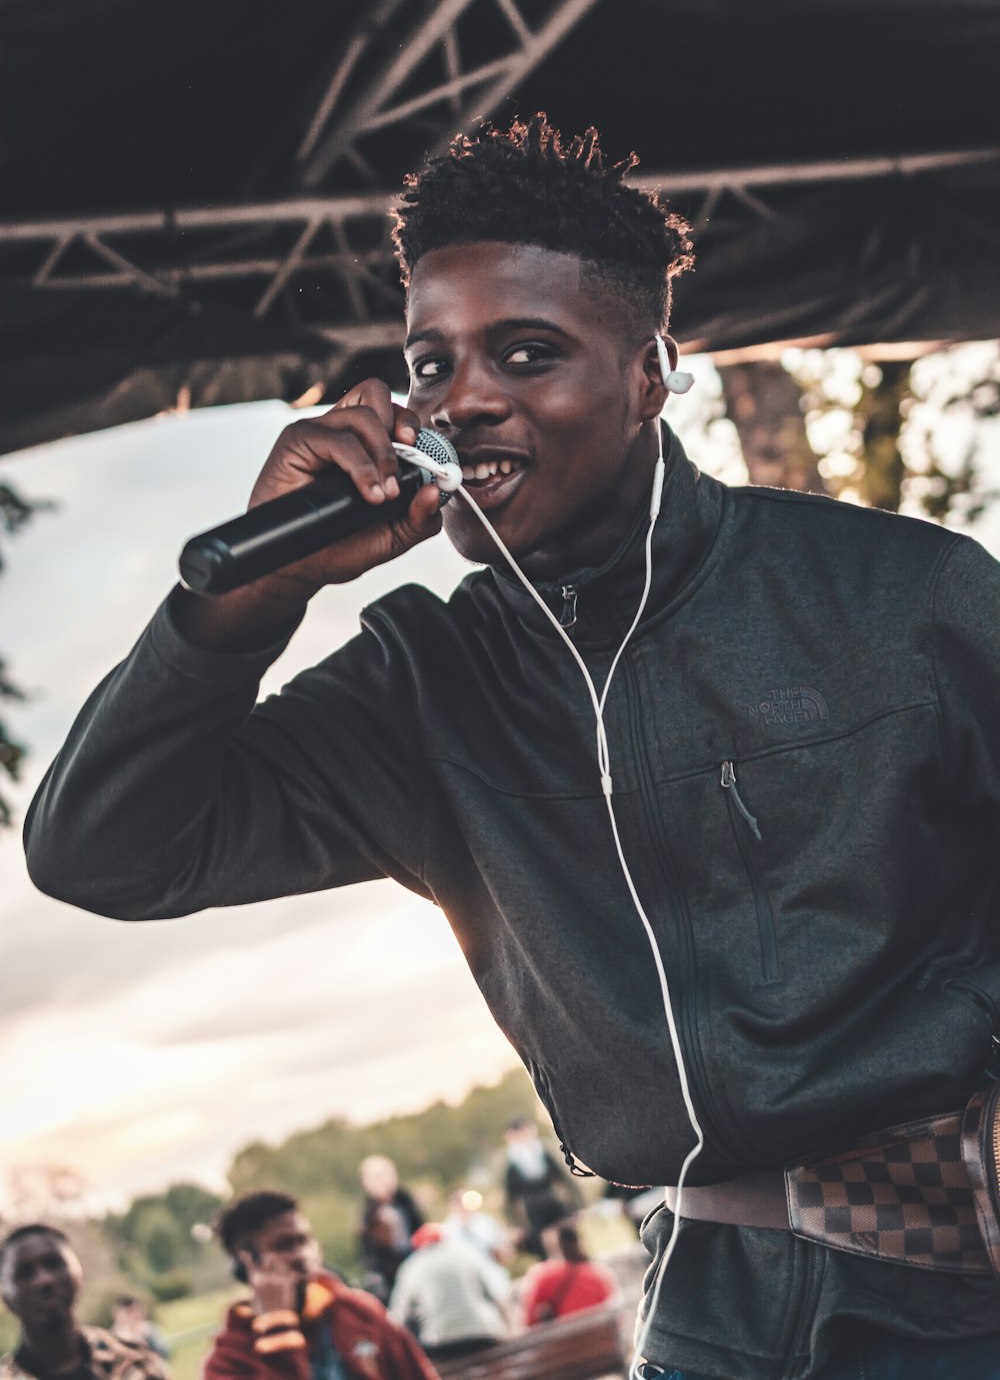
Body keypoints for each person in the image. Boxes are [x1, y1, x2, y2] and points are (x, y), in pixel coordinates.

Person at [24, 112, 1000, 1379]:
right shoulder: (422, 683)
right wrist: (247, 604)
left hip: (954, 1285)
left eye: (527, 354)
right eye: (430, 366)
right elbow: (100, 854)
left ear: (647, 372)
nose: (464, 400)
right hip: (709, 1313)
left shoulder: (896, 596)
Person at [207, 1190, 438, 1380]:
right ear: (246, 1262)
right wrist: (277, 1325)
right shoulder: (229, 1359)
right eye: (284, 1246)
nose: (301, 1255)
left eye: (304, 1240)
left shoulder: (357, 1311)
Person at [0, 1226, 169, 1380]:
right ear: (5, 1296)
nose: (44, 1280)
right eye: (24, 1272)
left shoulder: (134, 1359)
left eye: (54, 1263)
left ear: (78, 1274)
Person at [388, 1225, 509, 1365]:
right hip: (483, 1334)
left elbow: (397, 1319)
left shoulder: (411, 1267)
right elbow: (497, 1297)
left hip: (440, 1344)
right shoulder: (466, 1253)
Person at [518, 1221, 620, 1327]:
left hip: (564, 1341)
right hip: (604, 1338)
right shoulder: (598, 1273)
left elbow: (529, 1321)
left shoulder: (542, 1276)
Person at [501, 1116, 577, 1258]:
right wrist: (515, 1225)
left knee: (568, 1240)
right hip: (534, 1211)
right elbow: (509, 1198)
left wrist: (576, 1205)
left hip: (554, 1202)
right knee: (544, 1247)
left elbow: (565, 1179)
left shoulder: (543, 1151)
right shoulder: (511, 1163)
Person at [357, 1158, 423, 1303]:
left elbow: (420, 1228)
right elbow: (366, 1251)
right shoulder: (368, 1212)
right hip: (386, 1273)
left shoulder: (406, 1202)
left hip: (414, 1262)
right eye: (375, 1178)